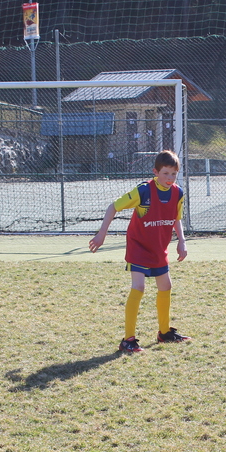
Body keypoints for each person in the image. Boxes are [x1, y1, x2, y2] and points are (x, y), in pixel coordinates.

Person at [88, 149, 189, 353]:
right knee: (139, 287)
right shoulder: (143, 191)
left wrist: (182, 241)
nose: (169, 178)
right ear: (155, 172)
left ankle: (164, 333)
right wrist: (101, 234)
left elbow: (176, 218)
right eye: (165, 173)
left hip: (158, 247)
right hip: (139, 247)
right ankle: (128, 340)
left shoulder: (178, 193)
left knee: (166, 286)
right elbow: (113, 207)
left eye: (173, 174)